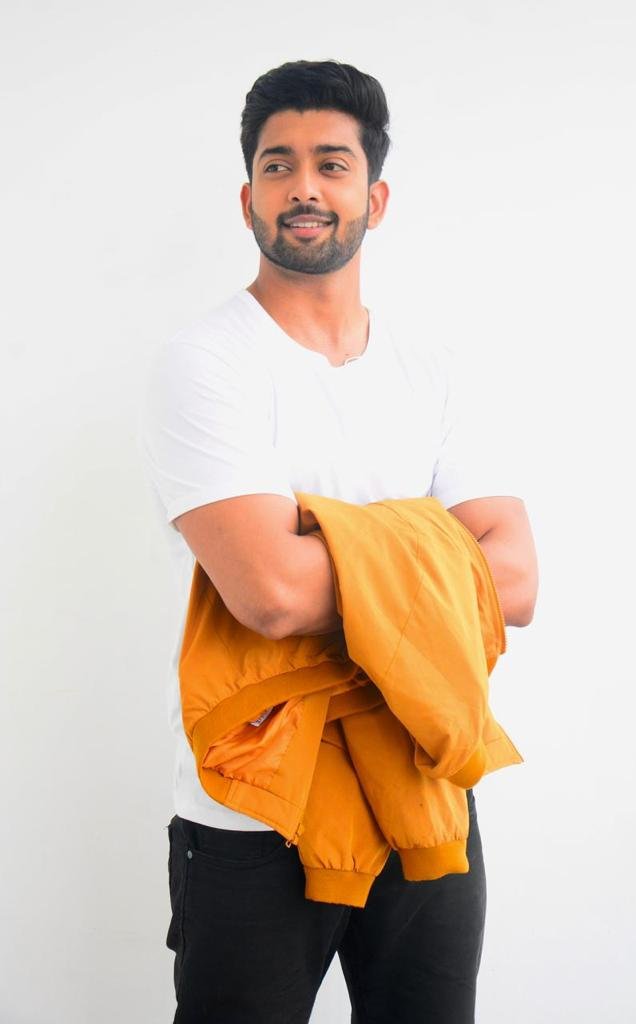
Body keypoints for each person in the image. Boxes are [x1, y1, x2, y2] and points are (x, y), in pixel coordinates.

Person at [138, 58, 538, 1024]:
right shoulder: (207, 363)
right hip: (255, 809)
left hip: (426, 787)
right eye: (277, 166)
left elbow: (519, 580)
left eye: (331, 164)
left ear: (375, 197)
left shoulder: (431, 370)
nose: (303, 187)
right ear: (247, 199)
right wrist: (432, 543)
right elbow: (268, 594)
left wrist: (328, 536)